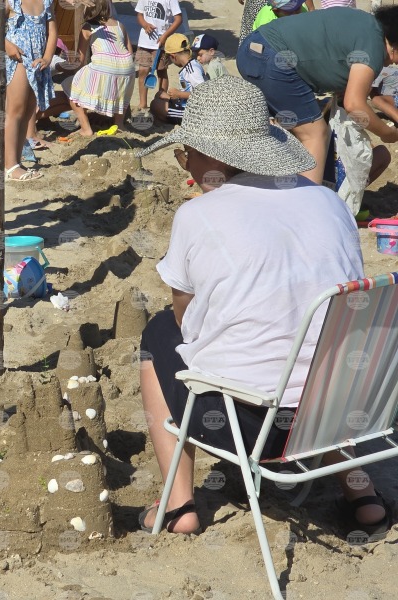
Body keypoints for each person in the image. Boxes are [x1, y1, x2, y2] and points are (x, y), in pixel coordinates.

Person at [134, 77, 392, 539]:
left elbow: (185, 321)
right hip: (344, 410)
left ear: (213, 156)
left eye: (186, 153)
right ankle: (362, 492)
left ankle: (179, 505)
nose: (185, 163)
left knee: (157, 335)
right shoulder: (327, 201)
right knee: (317, 345)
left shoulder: (198, 215)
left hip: (257, 429)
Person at [237, 6, 398, 185]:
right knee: (315, 134)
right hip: (272, 59)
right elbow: (354, 105)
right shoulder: (374, 45)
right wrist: (387, 133)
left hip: (254, 49)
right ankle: (310, 199)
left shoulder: (366, 25)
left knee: (287, 130)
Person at [62, 0, 136, 136]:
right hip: (127, 67)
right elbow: (130, 52)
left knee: (71, 88)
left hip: (104, 64)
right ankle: (119, 124)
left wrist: (70, 68)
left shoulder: (87, 27)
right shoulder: (119, 25)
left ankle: (86, 129)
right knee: (120, 93)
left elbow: (80, 59)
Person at [5, 0, 57, 182]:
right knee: (15, 110)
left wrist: (48, 57)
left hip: (38, 61)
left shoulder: (46, 2)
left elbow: (52, 31)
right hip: (18, 58)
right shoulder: (11, 2)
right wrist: (7, 45)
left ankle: (16, 161)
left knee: (28, 111)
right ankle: (10, 165)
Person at [135, 0, 182, 111]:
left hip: (161, 43)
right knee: (143, 71)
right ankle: (143, 103)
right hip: (145, 42)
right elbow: (139, 15)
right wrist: (145, 25)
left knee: (161, 72)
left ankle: (162, 101)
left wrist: (166, 35)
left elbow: (178, 19)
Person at [150, 34, 206, 125]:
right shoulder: (192, 65)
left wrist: (179, 94)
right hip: (185, 102)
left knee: (155, 105)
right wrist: (177, 95)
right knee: (160, 94)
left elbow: (204, 94)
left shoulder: (192, 70)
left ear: (173, 56)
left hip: (192, 112)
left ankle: (169, 120)